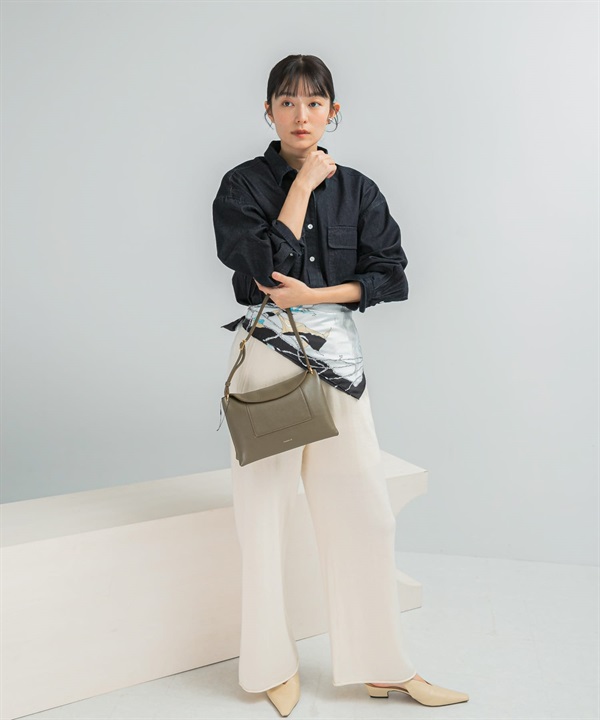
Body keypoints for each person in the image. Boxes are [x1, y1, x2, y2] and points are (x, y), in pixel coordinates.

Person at [212, 54, 469, 718]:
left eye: (314, 102)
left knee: (365, 514)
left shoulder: (360, 190)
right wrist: (302, 184)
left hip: (339, 364)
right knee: (263, 515)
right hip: (269, 361)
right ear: (268, 111)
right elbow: (266, 269)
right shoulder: (242, 186)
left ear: (333, 111)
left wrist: (320, 294)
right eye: (288, 102)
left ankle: (383, 666)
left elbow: (392, 276)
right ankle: (269, 666)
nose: (302, 115)